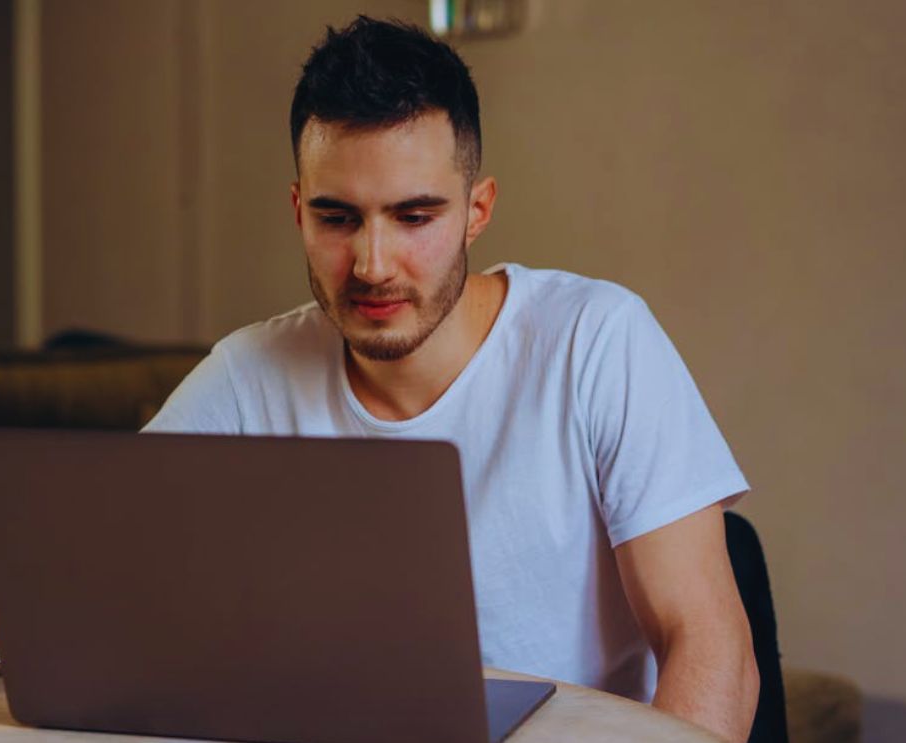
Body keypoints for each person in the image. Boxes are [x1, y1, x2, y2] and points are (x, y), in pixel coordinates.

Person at [144, 16, 759, 742]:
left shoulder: (595, 339)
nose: (372, 263)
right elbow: (104, 591)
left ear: (476, 211)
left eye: (413, 216)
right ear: (297, 212)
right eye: (336, 217)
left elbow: (712, 647)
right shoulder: (247, 375)